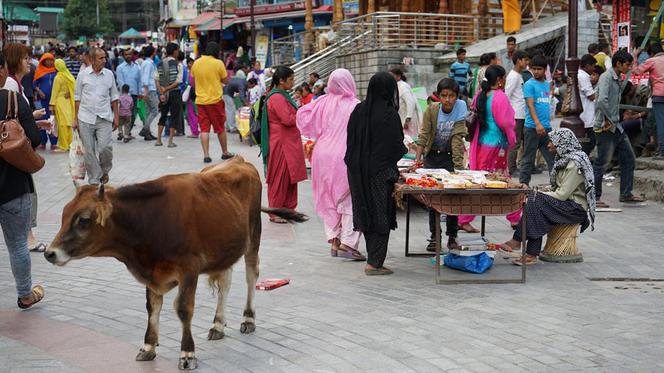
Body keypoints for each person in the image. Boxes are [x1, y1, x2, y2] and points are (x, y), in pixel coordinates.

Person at [296, 69, 365, 260]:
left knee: (329, 197)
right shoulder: (356, 105)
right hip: (346, 155)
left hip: (322, 154)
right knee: (350, 199)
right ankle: (348, 244)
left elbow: (302, 115)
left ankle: (334, 241)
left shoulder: (322, 101)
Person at [500, 128, 595, 266]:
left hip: (575, 209)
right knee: (534, 201)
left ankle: (518, 242)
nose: (549, 144)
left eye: (552, 142)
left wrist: (536, 193)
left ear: (562, 144)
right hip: (565, 204)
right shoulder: (563, 159)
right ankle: (529, 252)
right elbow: (556, 189)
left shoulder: (575, 163)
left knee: (535, 199)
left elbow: (561, 194)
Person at [346, 72, 407, 276]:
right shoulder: (389, 114)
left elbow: (351, 141)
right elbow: (396, 146)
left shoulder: (359, 110)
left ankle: (373, 259)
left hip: (357, 172)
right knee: (381, 213)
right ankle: (374, 263)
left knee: (366, 211)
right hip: (380, 174)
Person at [0, 52, 46, 309]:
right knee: (17, 244)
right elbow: (35, 140)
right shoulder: (13, 100)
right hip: (13, 186)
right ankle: (25, 294)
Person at [459, 65, 519, 232]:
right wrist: (512, 138)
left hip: (481, 144)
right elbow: (506, 123)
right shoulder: (500, 97)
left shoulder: (480, 94)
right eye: (504, 78)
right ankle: (514, 217)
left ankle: (464, 218)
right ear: (500, 80)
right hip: (496, 147)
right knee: (497, 182)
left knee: (481, 181)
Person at [3, 43, 49, 253]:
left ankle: (28, 236)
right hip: (13, 155)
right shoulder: (10, 86)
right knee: (26, 194)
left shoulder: (17, 85)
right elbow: (10, 123)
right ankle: (28, 238)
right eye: (24, 58)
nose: (29, 62)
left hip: (16, 151)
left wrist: (34, 120)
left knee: (29, 193)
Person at [414, 78, 468, 251]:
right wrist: (417, 160)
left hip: (450, 157)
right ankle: (434, 237)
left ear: (456, 96)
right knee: (434, 200)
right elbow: (423, 135)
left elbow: (458, 138)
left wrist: (458, 167)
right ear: (438, 96)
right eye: (444, 95)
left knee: (453, 199)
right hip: (432, 157)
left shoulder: (461, 107)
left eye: (451, 96)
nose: (447, 100)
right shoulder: (431, 110)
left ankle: (452, 237)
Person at [593, 50, 646, 205]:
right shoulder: (606, 78)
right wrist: (609, 119)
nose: (629, 67)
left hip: (616, 127)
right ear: (618, 64)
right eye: (627, 64)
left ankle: (626, 194)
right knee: (602, 163)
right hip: (605, 127)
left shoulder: (617, 78)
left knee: (629, 159)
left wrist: (634, 60)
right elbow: (602, 101)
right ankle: (595, 197)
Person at [260, 66, 307, 223]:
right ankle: (276, 211)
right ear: (281, 81)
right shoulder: (277, 98)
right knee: (279, 177)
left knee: (289, 176)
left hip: (287, 141)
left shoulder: (282, 95)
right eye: (291, 79)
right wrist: (301, 113)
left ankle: (287, 210)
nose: (293, 82)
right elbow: (287, 119)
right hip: (281, 142)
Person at [73, 47, 119, 185]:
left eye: (105, 57)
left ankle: (104, 171)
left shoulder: (109, 74)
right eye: (101, 58)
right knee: (89, 151)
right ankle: (94, 180)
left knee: (105, 148)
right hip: (85, 117)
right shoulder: (83, 75)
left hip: (104, 117)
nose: (104, 60)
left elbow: (114, 97)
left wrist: (116, 116)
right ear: (92, 60)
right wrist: (75, 119)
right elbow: (77, 98)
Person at [190, 41, 235, 163]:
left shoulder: (196, 63)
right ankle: (225, 152)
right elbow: (226, 81)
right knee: (220, 128)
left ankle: (206, 155)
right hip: (215, 101)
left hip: (200, 101)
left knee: (204, 129)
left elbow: (193, 80)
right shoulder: (218, 63)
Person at [520, 55, 555, 186]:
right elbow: (530, 105)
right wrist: (537, 123)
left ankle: (555, 185)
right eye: (533, 69)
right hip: (532, 127)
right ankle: (523, 187)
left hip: (547, 128)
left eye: (539, 69)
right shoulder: (529, 84)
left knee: (552, 158)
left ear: (545, 69)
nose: (536, 72)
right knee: (528, 159)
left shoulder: (547, 85)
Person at [633, 43, 664, 159]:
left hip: (659, 96)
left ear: (651, 53)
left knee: (661, 123)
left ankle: (662, 151)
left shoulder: (653, 61)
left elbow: (637, 71)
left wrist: (635, 56)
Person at [506, 50, 530, 175]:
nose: (527, 62)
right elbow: (507, 96)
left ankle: (516, 166)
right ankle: (512, 168)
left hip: (521, 113)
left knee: (519, 141)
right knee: (515, 142)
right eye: (525, 60)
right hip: (516, 114)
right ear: (519, 60)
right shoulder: (513, 76)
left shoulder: (519, 75)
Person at [154, 43, 182, 148]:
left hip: (163, 93)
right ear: (174, 51)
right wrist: (167, 88)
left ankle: (158, 139)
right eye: (177, 50)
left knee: (163, 115)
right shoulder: (178, 64)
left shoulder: (159, 64)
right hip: (174, 93)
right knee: (174, 116)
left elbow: (156, 79)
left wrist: (162, 92)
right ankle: (170, 141)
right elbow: (178, 82)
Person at [49, 59, 75, 151]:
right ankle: (70, 144)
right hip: (68, 101)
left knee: (62, 124)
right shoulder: (69, 75)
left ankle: (64, 146)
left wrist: (51, 105)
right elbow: (73, 89)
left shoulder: (58, 78)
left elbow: (54, 92)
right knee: (68, 123)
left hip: (60, 102)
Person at [33, 53, 58, 150]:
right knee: (42, 119)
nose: (49, 62)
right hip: (41, 100)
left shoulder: (57, 71)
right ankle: (42, 142)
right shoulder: (39, 71)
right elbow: (34, 84)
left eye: (51, 60)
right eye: (47, 60)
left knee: (53, 120)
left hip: (53, 101)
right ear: (43, 61)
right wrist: (39, 91)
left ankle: (54, 142)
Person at [116, 48, 142, 140]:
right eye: (126, 54)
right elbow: (120, 82)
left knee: (133, 114)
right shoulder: (120, 68)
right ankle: (120, 132)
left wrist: (140, 92)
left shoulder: (137, 67)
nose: (128, 56)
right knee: (123, 114)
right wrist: (126, 94)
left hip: (134, 94)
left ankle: (128, 132)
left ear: (132, 55)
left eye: (129, 54)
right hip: (124, 96)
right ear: (123, 55)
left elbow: (139, 81)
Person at [389, 68, 419, 138]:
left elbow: (410, 103)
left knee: (409, 142)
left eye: (392, 76)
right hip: (402, 119)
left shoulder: (403, 86)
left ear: (398, 76)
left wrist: (407, 120)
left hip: (407, 122)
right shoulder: (396, 86)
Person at [579, 54, 598, 155]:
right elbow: (591, 96)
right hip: (586, 115)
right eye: (593, 66)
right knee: (590, 142)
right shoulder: (584, 76)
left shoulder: (580, 75)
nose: (593, 69)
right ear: (587, 66)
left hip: (585, 114)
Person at [139, 45, 158, 141]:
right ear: (152, 53)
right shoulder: (148, 64)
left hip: (147, 89)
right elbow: (145, 77)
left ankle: (147, 133)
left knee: (148, 111)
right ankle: (145, 129)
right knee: (155, 110)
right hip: (149, 89)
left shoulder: (147, 63)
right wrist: (146, 90)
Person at [184, 57, 199, 138]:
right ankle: (195, 130)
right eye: (190, 63)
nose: (191, 65)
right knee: (193, 113)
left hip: (192, 96)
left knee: (192, 113)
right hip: (194, 95)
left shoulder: (191, 73)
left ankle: (195, 131)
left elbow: (190, 84)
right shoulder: (192, 72)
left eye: (192, 63)